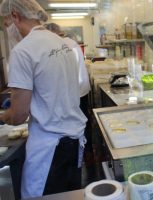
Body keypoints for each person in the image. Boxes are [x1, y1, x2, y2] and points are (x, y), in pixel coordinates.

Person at [0, 0, 87, 199]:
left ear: (15, 16)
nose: (8, 31)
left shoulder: (23, 51)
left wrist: (6, 116)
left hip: (49, 151)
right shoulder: (62, 43)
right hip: (74, 143)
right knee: (70, 195)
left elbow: (19, 115)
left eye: (6, 25)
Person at [44, 23, 94, 179]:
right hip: (80, 90)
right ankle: (87, 154)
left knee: (78, 123)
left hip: (75, 92)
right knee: (83, 121)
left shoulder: (62, 46)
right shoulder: (71, 44)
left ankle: (84, 153)